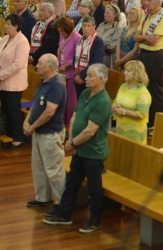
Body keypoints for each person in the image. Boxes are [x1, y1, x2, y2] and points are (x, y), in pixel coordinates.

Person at [43, 64, 111, 234]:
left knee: (94, 188)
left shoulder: (103, 101)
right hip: (79, 149)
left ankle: (95, 221)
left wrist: (73, 144)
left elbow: (90, 131)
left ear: (101, 79)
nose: (86, 78)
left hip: (93, 152)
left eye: (90, 76)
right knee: (72, 183)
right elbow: (74, 117)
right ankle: (64, 215)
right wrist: (71, 140)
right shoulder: (86, 93)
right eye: (87, 75)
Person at [24, 54, 67, 210]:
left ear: (50, 67)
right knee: (39, 167)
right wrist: (26, 121)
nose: (36, 66)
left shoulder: (56, 85)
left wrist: (32, 127)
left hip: (50, 134)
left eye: (40, 63)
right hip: (39, 132)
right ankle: (43, 198)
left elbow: (49, 112)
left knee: (54, 170)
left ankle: (62, 204)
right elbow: (36, 104)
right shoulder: (43, 82)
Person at [0, 14, 31, 149]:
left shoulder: (22, 41)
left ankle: (18, 137)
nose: (5, 26)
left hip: (14, 82)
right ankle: (9, 134)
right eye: (6, 23)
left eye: (8, 24)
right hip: (2, 80)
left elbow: (18, 64)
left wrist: (0, 75)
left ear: (16, 26)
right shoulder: (5, 38)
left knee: (13, 110)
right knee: (6, 109)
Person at [134, 0, 163, 129]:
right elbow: (135, 38)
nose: (146, 3)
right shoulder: (147, 15)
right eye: (146, 0)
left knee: (155, 89)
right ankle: (147, 119)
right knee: (144, 87)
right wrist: (145, 37)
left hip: (155, 56)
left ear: (158, 2)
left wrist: (142, 38)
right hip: (144, 54)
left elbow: (153, 42)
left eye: (149, 1)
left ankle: (157, 124)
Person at [112, 60, 152, 144]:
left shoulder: (143, 92)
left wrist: (123, 111)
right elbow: (115, 101)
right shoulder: (123, 86)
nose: (124, 73)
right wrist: (115, 107)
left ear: (137, 73)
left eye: (128, 71)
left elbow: (142, 114)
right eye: (125, 70)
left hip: (135, 133)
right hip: (120, 129)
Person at [55, 17, 81, 128]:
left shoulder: (77, 37)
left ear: (68, 28)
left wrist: (66, 65)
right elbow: (60, 50)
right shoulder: (61, 36)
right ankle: (61, 123)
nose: (61, 33)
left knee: (70, 102)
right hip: (60, 71)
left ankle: (70, 126)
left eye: (62, 31)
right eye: (59, 31)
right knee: (61, 100)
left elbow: (77, 56)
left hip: (70, 73)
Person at [74, 16, 104, 99]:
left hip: (90, 78)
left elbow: (96, 62)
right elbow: (75, 56)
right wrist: (76, 74)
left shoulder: (98, 41)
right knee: (79, 101)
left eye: (89, 26)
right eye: (84, 26)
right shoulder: (80, 39)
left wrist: (82, 76)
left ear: (94, 27)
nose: (86, 28)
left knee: (88, 101)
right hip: (77, 76)